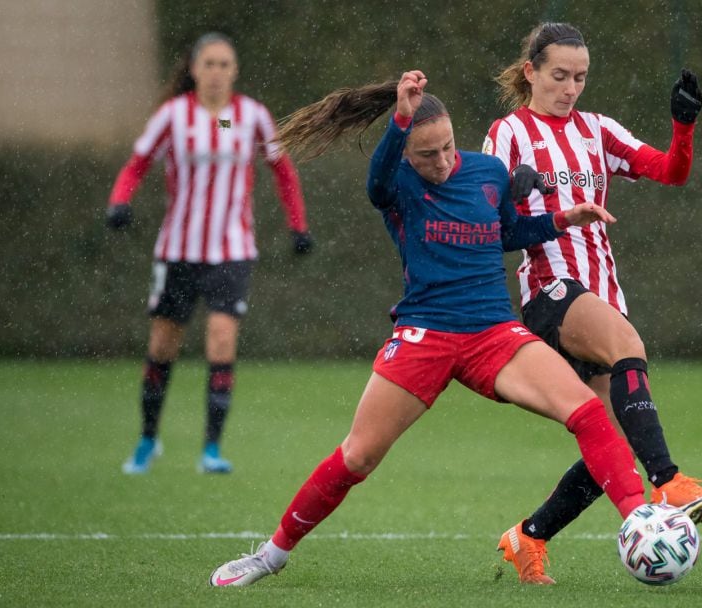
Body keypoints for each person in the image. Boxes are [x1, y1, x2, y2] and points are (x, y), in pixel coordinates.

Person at [208, 70, 671, 588]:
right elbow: (378, 176)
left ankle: (638, 518)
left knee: (587, 411)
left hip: (494, 333)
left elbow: (508, 234)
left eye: (448, 147)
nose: (443, 161)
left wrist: (563, 220)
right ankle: (271, 555)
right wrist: (401, 116)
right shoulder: (395, 183)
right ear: (406, 153)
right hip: (423, 336)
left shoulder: (489, 172)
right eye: (427, 154)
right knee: (358, 455)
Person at [484, 22, 702, 584]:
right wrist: (524, 200)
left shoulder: (597, 130)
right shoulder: (508, 135)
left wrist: (684, 125)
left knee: (609, 444)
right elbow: (493, 230)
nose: (571, 88)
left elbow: (671, 171)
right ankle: (669, 481)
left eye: (580, 77)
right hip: (551, 290)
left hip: (601, 293)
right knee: (628, 345)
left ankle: (527, 537)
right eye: (559, 76)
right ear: (531, 73)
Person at [106, 32, 314, 475]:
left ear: (234, 71)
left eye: (225, 64)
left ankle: (211, 450)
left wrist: (299, 226)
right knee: (163, 346)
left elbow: (283, 170)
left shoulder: (251, 116)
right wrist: (120, 200)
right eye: (209, 64)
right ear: (194, 69)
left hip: (232, 251)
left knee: (221, 340)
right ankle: (147, 440)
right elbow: (137, 162)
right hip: (177, 251)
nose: (217, 72)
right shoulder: (173, 116)